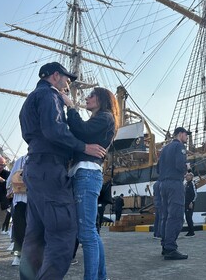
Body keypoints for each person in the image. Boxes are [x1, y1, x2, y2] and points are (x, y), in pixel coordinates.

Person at [18, 62, 106, 279]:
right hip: (50, 169)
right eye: (67, 79)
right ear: (55, 76)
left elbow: (32, 134)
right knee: (63, 233)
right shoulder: (50, 96)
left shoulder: (31, 99)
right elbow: (54, 130)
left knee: (35, 236)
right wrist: (83, 146)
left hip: (35, 167)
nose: (68, 84)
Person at [62, 86, 118, 280]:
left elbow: (82, 131)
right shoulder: (100, 119)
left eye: (92, 95)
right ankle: (101, 277)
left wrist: (70, 107)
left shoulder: (106, 117)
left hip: (87, 174)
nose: (87, 97)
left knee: (86, 233)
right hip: (85, 174)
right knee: (90, 232)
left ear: (102, 99)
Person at [158, 127, 192, 260]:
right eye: (186, 134)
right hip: (174, 184)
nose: (187, 137)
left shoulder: (165, 148)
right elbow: (179, 165)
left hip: (163, 184)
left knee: (165, 216)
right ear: (180, 134)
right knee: (176, 216)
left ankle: (165, 246)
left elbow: (158, 168)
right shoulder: (179, 147)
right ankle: (171, 248)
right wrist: (187, 168)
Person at [6, 155, 28, 266]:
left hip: (37, 200)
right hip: (20, 199)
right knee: (19, 230)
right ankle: (18, 255)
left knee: (35, 230)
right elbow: (11, 177)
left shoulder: (43, 157)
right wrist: (9, 189)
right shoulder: (21, 160)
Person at [184, 172, 197, 237]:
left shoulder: (192, 183)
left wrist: (192, 202)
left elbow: (195, 194)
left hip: (190, 203)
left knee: (189, 217)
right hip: (186, 203)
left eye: (187, 176)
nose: (185, 177)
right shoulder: (186, 184)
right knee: (187, 217)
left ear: (191, 177)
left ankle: (192, 232)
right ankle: (190, 231)